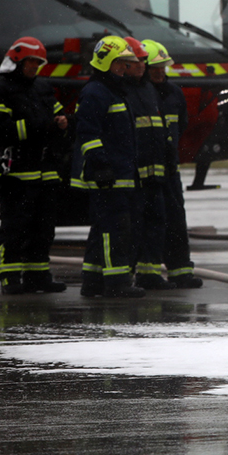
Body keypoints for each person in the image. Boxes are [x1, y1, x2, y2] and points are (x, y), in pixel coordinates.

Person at [71, 36, 145, 297]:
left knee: (102, 228)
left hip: (118, 174)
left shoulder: (112, 92)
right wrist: (101, 165)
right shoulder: (96, 93)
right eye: (120, 65)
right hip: (107, 176)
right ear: (106, 63)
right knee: (115, 229)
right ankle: (117, 283)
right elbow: (88, 133)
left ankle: (92, 281)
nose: (124, 70)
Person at [0, 36, 70, 295]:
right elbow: (2, 130)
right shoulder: (2, 89)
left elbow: (58, 115)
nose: (35, 67)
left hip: (45, 171)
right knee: (15, 226)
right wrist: (43, 127)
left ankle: (37, 275)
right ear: (17, 60)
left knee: (43, 228)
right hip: (17, 171)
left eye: (38, 62)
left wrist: (63, 124)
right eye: (31, 61)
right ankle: (9, 276)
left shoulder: (42, 88)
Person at [142, 39, 202, 288]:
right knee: (150, 222)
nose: (159, 72)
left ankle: (180, 271)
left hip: (170, 169)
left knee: (176, 219)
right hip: (145, 171)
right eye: (154, 67)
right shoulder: (139, 94)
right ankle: (148, 273)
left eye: (162, 67)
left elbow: (183, 125)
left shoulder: (175, 93)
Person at [122, 37, 174, 290]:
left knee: (155, 222)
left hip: (155, 174)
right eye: (138, 61)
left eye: (144, 61)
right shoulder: (122, 91)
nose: (143, 66)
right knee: (132, 226)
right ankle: (124, 275)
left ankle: (149, 273)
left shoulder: (147, 90)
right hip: (134, 175)